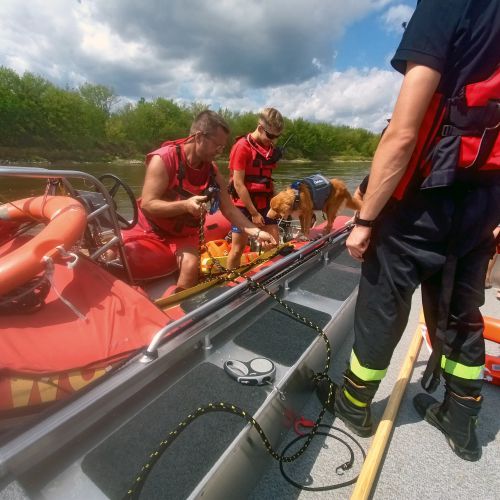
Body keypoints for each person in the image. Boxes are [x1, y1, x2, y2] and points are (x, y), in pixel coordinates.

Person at [317, 0, 500, 462]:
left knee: (383, 303)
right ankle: (462, 424)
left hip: (422, 198)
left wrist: (364, 221)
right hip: (484, 201)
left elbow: (403, 133)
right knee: (461, 311)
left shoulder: (447, 6)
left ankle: (355, 406)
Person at [122, 110, 276, 292]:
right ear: (199, 137)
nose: (219, 152)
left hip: (182, 234)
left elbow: (230, 210)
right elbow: (148, 203)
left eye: (222, 148)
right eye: (217, 146)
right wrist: (185, 205)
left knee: (190, 267)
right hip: (149, 227)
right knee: (125, 258)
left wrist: (257, 233)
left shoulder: (211, 170)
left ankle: (178, 311)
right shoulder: (164, 159)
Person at [226, 108, 284, 269]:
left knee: (274, 243)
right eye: (270, 136)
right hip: (244, 207)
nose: (273, 141)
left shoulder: (268, 150)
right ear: (260, 128)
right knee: (237, 249)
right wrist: (254, 213)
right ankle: (230, 281)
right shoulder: (242, 147)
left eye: (277, 137)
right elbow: (238, 183)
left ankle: (266, 273)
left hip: (264, 202)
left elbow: (267, 179)